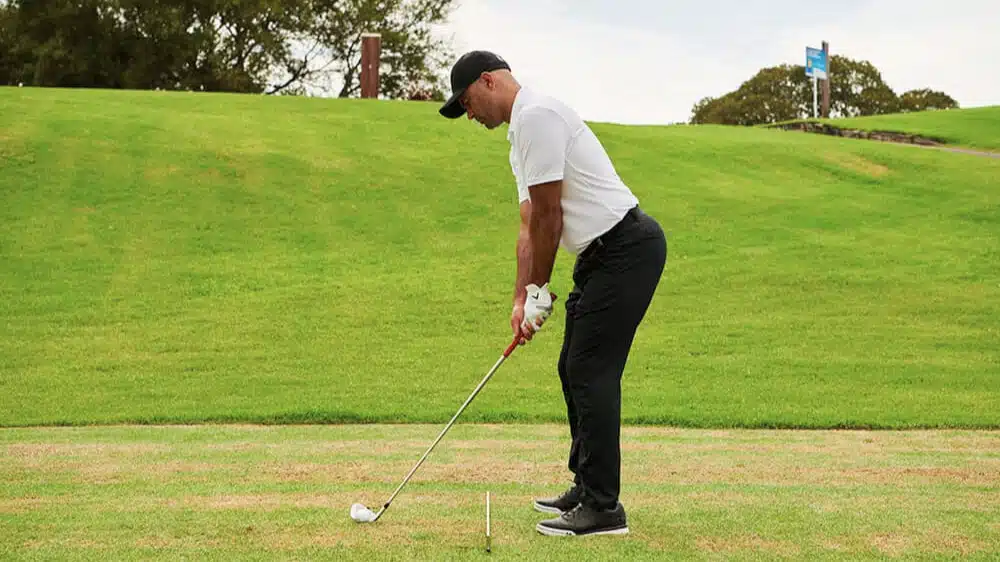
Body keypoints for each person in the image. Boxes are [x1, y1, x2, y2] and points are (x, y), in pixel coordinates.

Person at [438, 50, 667, 537]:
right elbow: (528, 225)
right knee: (573, 366)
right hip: (600, 257)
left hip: (627, 247)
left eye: (468, 102)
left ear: (489, 81)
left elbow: (550, 217)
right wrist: (522, 298)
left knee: (591, 369)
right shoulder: (520, 135)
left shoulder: (538, 115)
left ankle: (604, 508)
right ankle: (587, 486)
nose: (470, 115)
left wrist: (542, 288)